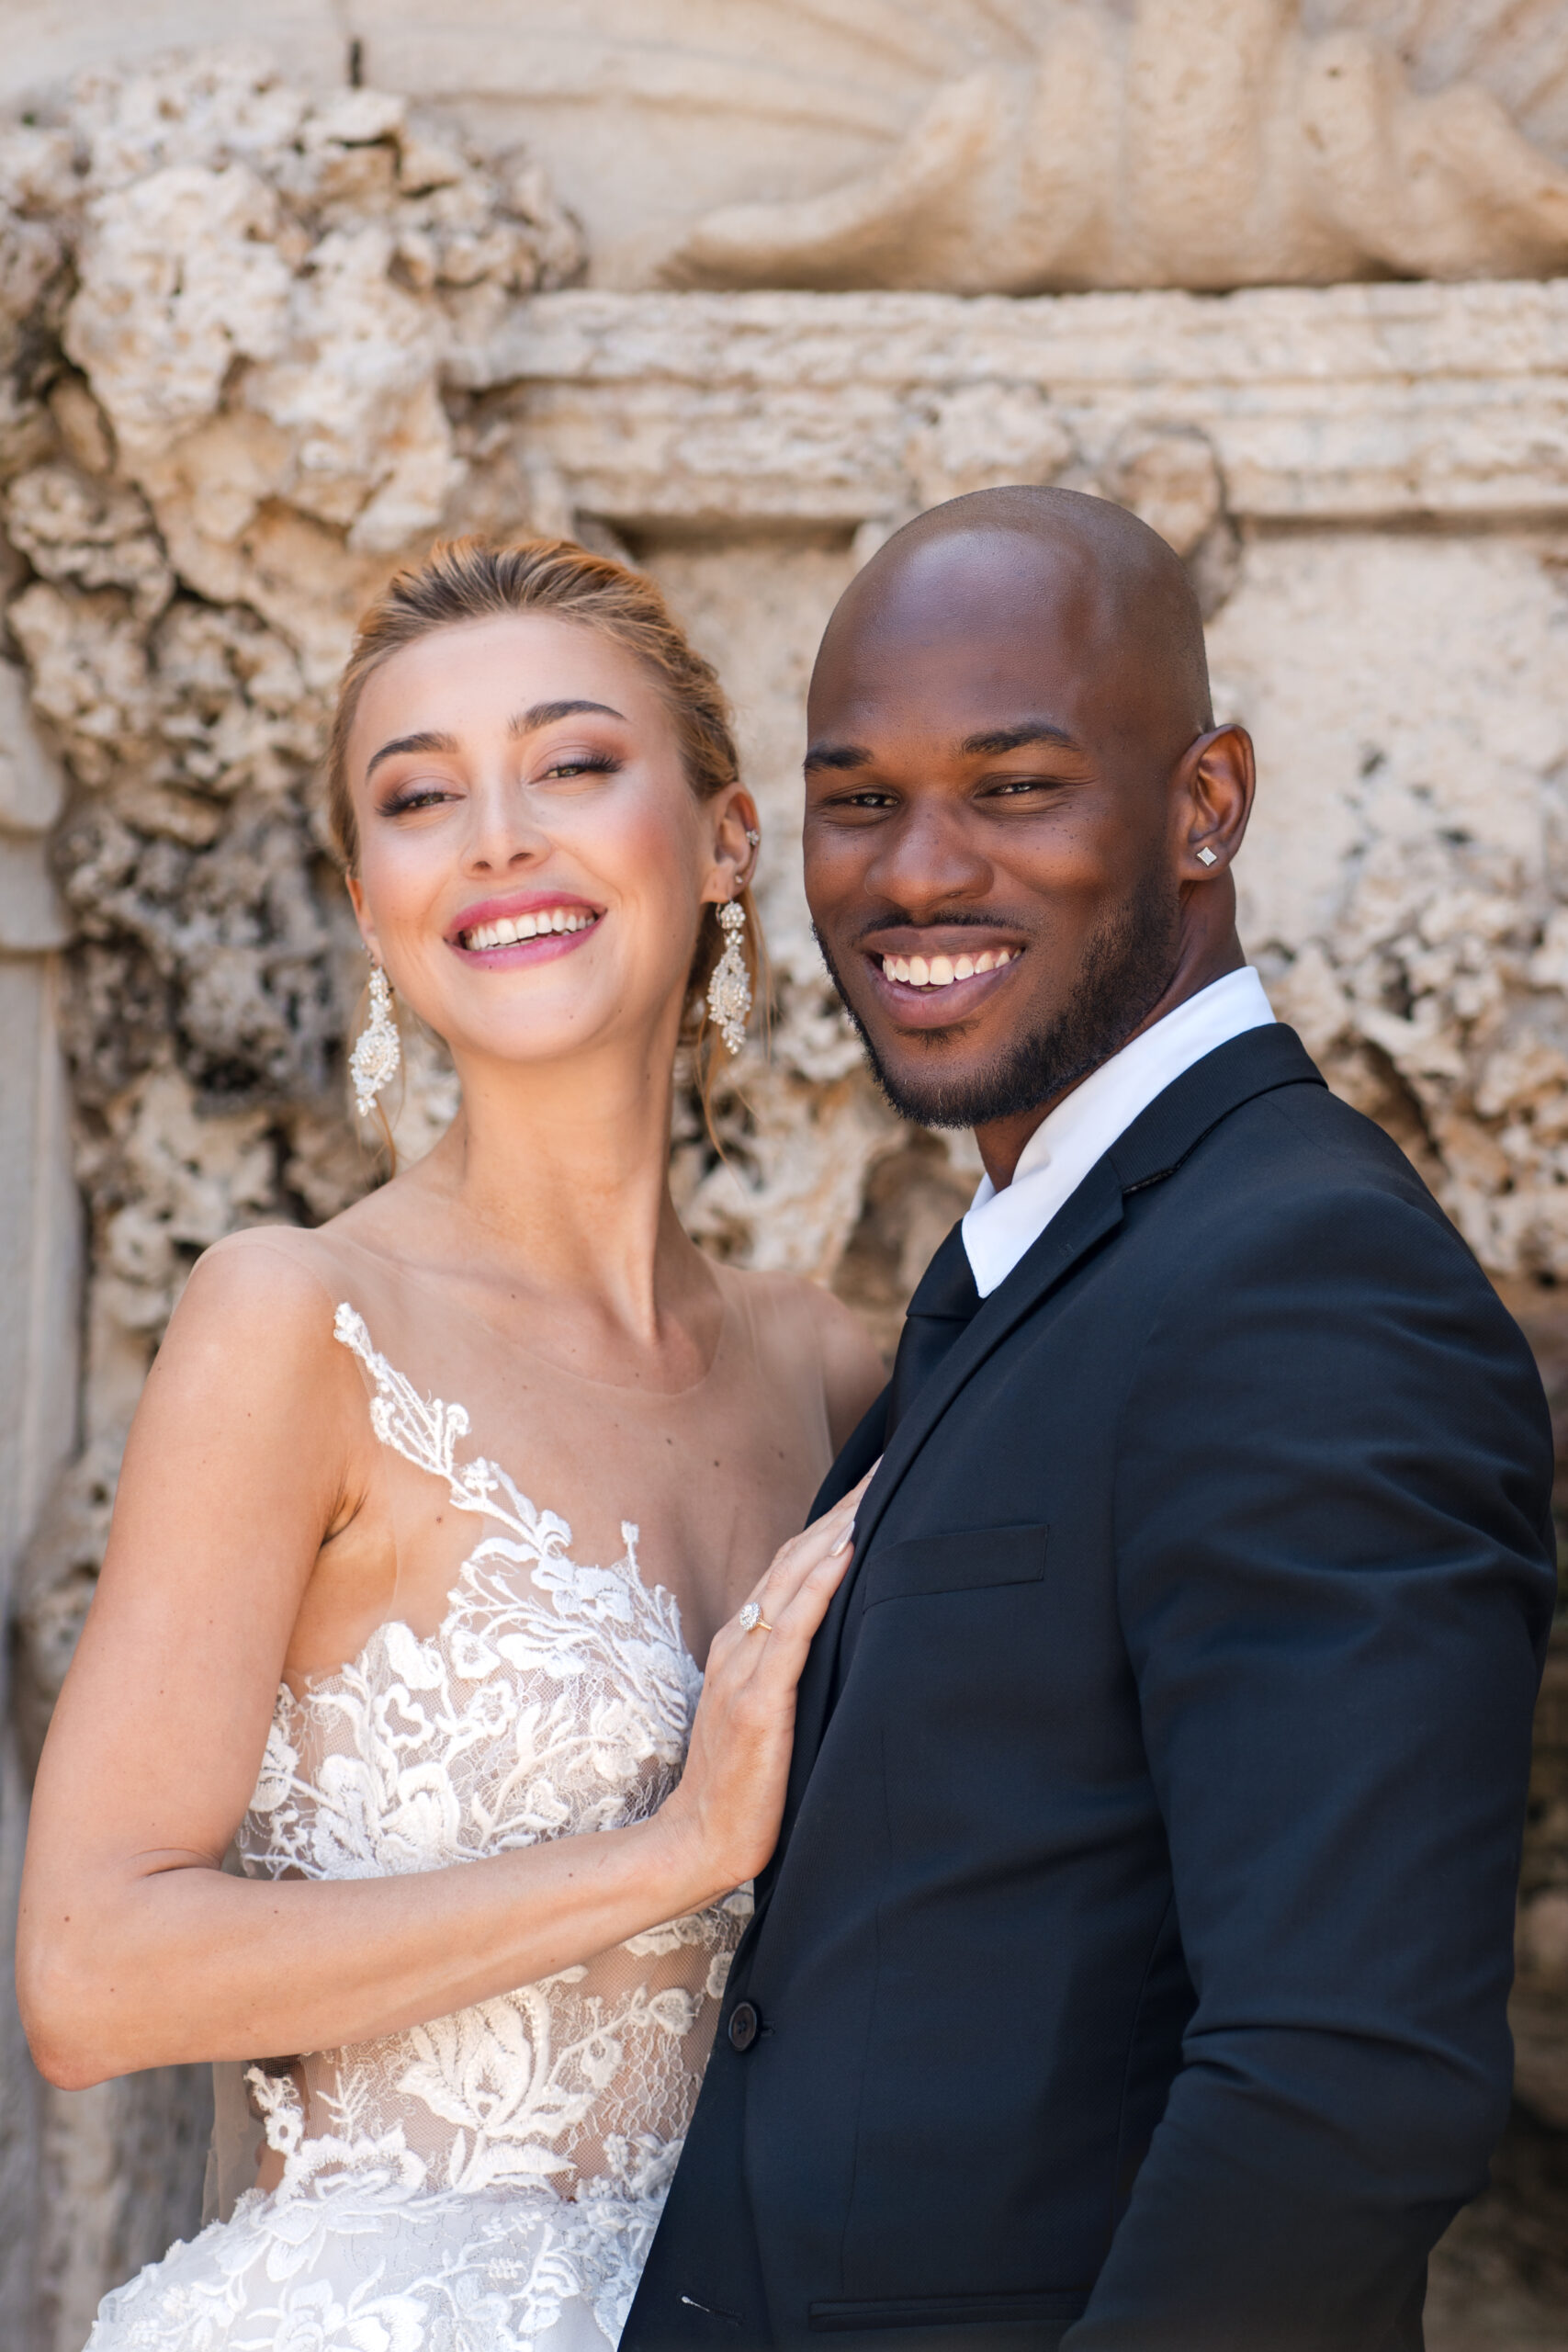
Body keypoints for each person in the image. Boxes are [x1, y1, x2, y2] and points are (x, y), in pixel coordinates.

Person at [623, 486, 1559, 2352]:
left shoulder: (1299, 1279)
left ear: (1204, 802)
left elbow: (1338, 2082)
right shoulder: (1045, 1262)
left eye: (1014, 784)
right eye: (861, 795)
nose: (913, 872)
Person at [17, 537, 886, 2352]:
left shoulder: (831, 1364)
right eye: (421, 796)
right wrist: (666, 1852)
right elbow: (90, 1970)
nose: (496, 834)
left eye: (570, 762)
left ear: (726, 837)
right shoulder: (294, 1318)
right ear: (369, 897)